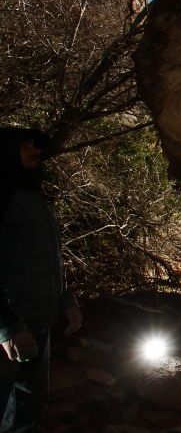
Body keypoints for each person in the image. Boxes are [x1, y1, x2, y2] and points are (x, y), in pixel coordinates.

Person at [0, 127, 83, 433]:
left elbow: (45, 258)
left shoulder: (30, 196)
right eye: (27, 146)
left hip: (36, 322)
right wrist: (6, 326)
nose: (37, 152)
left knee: (30, 408)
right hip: (9, 327)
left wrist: (64, 300)